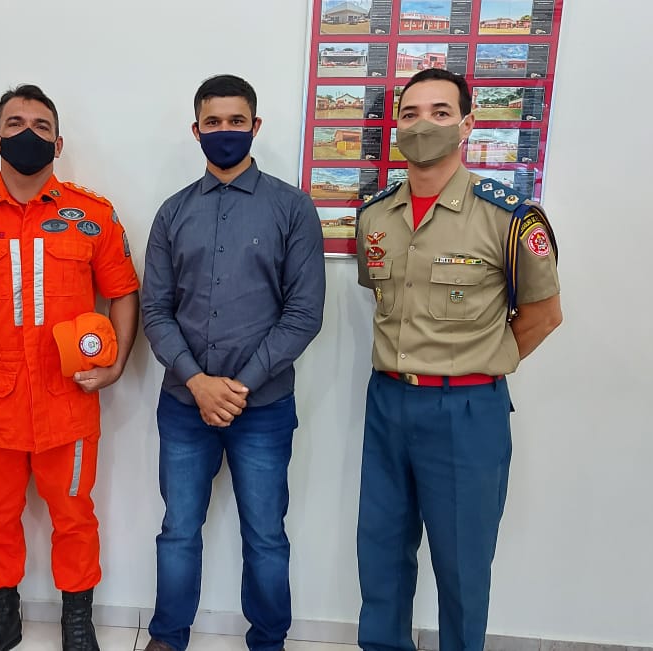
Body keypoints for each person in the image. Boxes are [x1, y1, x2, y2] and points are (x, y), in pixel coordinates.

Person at [0, 84, 140, 651]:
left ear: (58, 143)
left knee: (74, 515)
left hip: (69, 396)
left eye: (41, 126)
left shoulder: (92, 215)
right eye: (15, 124)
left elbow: (123, 291)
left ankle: (77, 622)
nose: (28, 135)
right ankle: (1, 618)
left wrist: (115, 365)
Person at [354, 68, 562, 651]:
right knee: (380, 553)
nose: (424, 124)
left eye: (441, 112)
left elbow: (543, 315)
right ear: (397, 126)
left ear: (467, 125)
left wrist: (477, 361)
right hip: (388, 402)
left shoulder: (509, 217)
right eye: (411, 113)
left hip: (467, 409)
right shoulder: (376, 216)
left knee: (462, 567)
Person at [140, 74, 326, 651]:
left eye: (236, 121)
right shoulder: (172, 213)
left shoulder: (292, 208)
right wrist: (197, 382)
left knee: (266, 535)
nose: (225, 131)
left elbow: (304, 314)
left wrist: (238, 387)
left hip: (263, 408)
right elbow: (155, 310)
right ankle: (167, 638)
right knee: (177, 531)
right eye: (213, 122)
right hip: (183, 404)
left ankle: (268, 641)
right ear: (196, 130)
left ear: (255, 126)